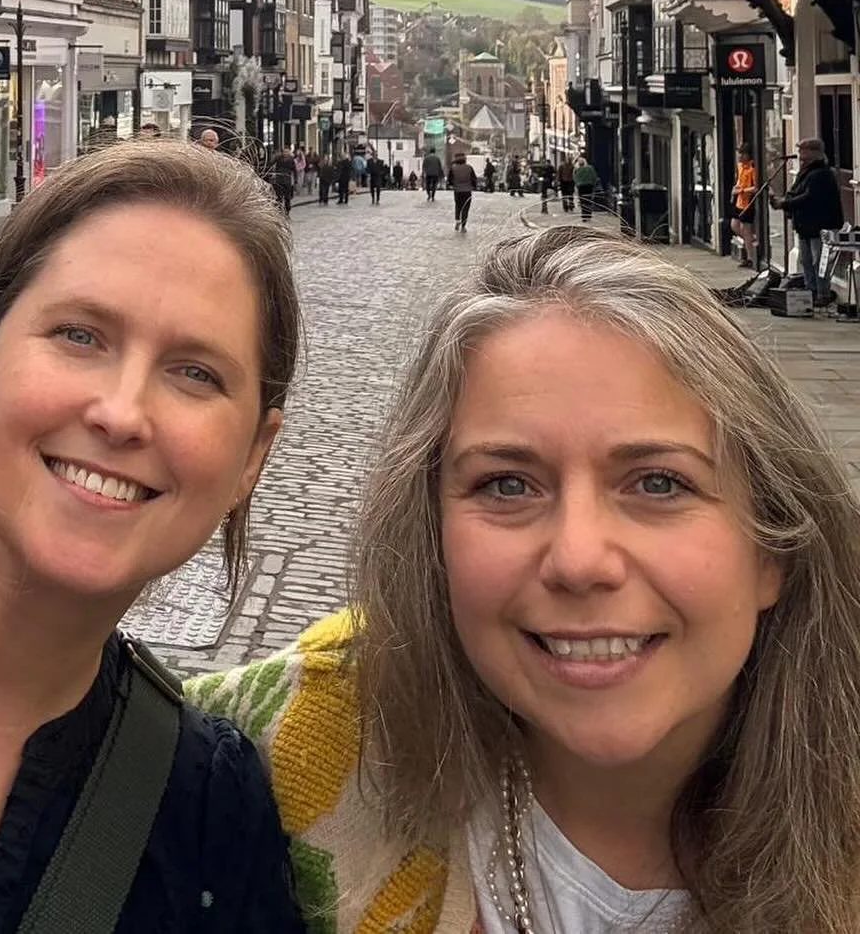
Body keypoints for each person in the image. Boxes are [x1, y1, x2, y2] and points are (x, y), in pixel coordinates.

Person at [190, 227, 860, 934]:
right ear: (432, 535)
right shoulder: (244, 762)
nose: (579, 559)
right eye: (508, 484)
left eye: (659, 483)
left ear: (772, 547)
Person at [0, 142, 305, 933]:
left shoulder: (208, 817)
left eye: (195, 374)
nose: (121, 414)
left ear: (254, 455)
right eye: (80, 336)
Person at [772, 136, 845, 308]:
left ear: (814, 153)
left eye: (803, 150)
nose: (799, 153)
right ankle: (810, 290)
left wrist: (785, 203)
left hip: (820, 225)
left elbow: (809, 198)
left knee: (819, 261)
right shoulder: (806, 171)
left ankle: (822, 293)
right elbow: (796, 192)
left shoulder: (821, 173)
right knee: (806, 260)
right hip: (806, 225)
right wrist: (784, 201)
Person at [730, 144, 758, 269]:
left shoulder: (753, 169)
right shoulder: (740, 166)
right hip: (739, 202)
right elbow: (738, 181)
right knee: (734, 226)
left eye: (742, 154)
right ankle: (753, 242)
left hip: (748, 202)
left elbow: (756, 187)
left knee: (746, 229)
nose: (739, 156)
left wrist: (741, 191)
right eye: (739, 153)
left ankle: (750, 258)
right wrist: (735, 188)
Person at [449, 149, 479, 233]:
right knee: (465, 208)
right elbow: (474, 179)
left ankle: (457, 220)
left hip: (457, 190)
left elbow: (450, 180)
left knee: (458, 206)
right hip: (467, 191)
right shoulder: (469, 168)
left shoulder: (453, 168)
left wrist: (452, 184)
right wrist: (474, 186)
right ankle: (463, 226)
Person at [270, 145, 297, 218]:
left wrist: (296, 180)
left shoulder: (291, 160)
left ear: (289, 152)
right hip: (279, 180)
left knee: (287, 197)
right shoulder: (278, 158)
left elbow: (294, 170)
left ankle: (287, 212)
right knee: (278, 197)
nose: (285, 153)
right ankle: (279, 212)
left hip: (287, 180)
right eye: (284, 151)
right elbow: (271, 163)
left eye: (287, 152)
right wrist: (275, 157)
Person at [573, 152, 600, 221]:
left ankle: (584, 215)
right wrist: (593, 183)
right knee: (588, 200)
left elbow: (574, 177)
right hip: (589, 186)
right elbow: (594, 176)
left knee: (582, 201)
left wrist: (577, 184)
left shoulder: (577, 169)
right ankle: (588, 214)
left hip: (581, 186)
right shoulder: (590, 168)